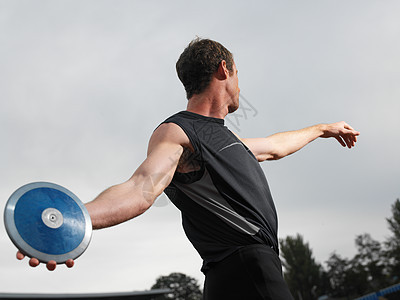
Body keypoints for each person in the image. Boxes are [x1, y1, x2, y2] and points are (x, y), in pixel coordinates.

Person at [17, 38, 360, 299]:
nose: (240, 85)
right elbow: (140, 188)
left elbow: (273, 147)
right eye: (238, 74)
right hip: (246, 267)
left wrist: (321, 129)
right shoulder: (179, 132)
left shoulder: (225, 142)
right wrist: (70, 220)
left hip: (235, 274)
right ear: (224, 70)